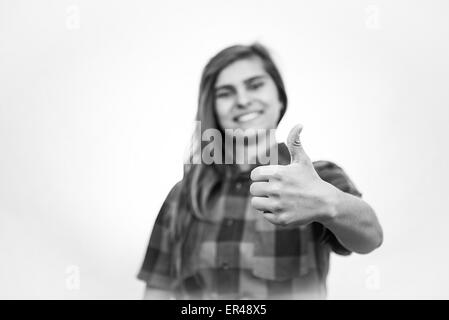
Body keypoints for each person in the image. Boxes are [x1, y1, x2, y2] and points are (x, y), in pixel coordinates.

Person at [137, 43, 383, 299]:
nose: (242, 101)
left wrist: (328, 203)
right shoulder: (184, 195)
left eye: (255, 85)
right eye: (225, 93)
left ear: (279, 97)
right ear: (213, 108)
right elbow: (158, 290)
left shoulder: (318, 179)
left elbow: (371, 237)